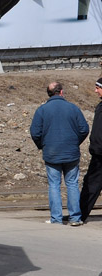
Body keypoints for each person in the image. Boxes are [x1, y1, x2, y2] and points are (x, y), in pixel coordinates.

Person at [30, 81, 89, 225]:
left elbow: (35, 132)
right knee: (72, 184)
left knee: (54, 185)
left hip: (51, 153)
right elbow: (84, 129)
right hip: (71, 153)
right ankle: (75, 217)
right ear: (61, 92)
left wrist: (43, 145)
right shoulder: (73, 108)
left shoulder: (42, 110)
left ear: (49, 94)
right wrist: (75, 143)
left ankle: (56, 218)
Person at [78, 77, 102, 223]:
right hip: (98, 154)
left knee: (92, 184)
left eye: (98, 88)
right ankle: (80, 215)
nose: (95, 91)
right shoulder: (100, 106)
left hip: (100, 153)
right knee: (91, 185)